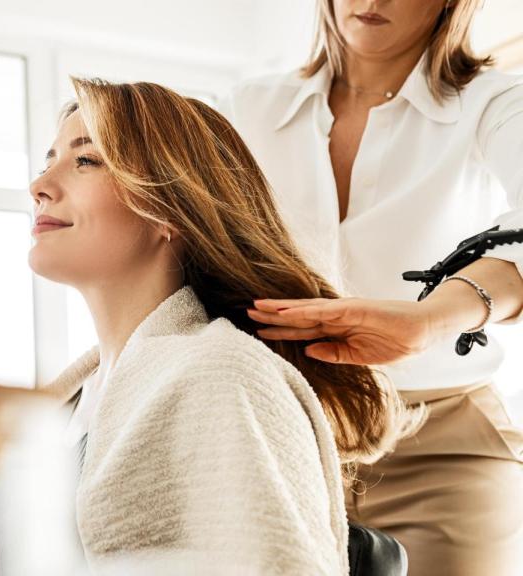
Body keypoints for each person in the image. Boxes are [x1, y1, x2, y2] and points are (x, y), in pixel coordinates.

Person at [0, 78, 417, 575]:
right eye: (46, 162)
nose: (40, 186)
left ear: (167, 211)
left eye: (86, 160)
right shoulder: (61, 407)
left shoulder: (223, 375)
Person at [219, 0, 523, 573]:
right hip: (282, 442)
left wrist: (430, 319)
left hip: (446, 448)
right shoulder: (247, 109)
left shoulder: (498, 105)